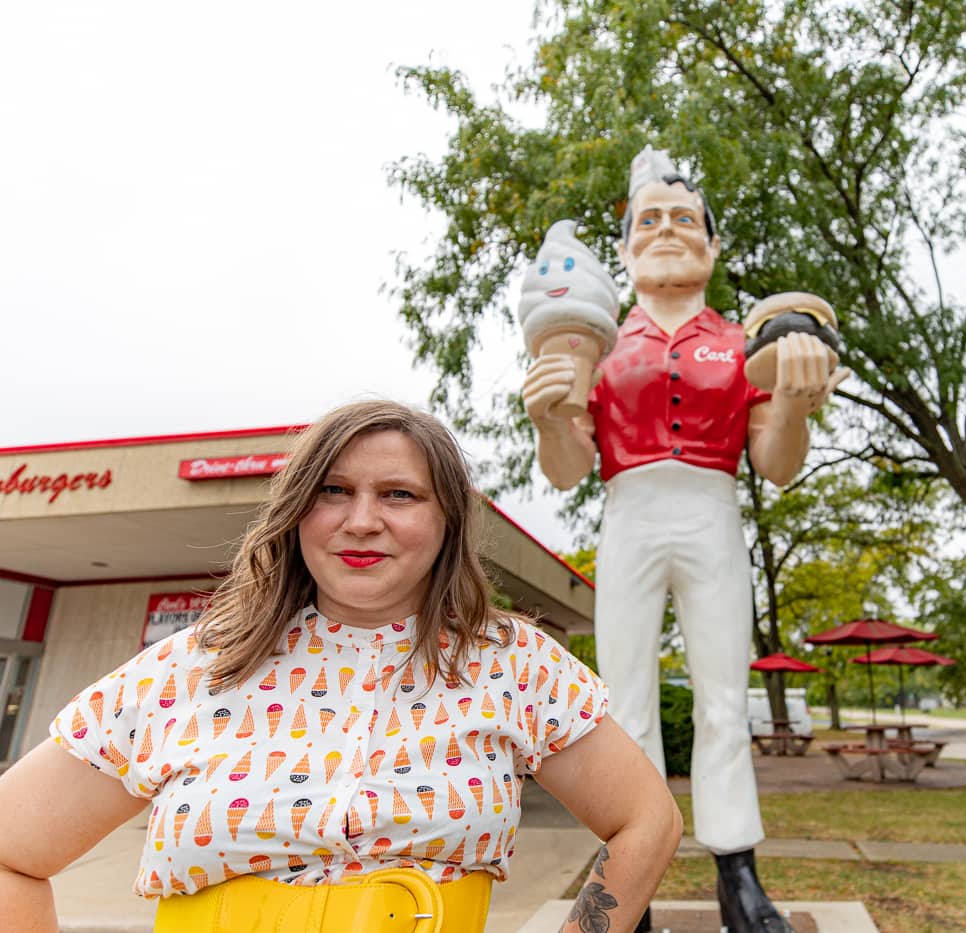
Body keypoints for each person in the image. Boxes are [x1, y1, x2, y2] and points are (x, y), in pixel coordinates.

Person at [0, 400, 681, 933]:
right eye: (333, 490)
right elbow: (10, 850)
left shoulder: (515, 665)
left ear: (448, 518)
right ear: (297, 512)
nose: (361, 520)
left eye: (399, 494)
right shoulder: (189, 669)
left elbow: (647, 817)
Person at [521, 147, 845, 933]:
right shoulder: (592, 342)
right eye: (649, 220)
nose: (667, 230)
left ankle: (739, 874)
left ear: (713, 244)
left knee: (724, 701)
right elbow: (567, 470)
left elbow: (776, 464)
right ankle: (628, 880)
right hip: (629, 508)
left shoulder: (747, 341)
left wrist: (795, 405)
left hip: (711, 507)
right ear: (626, 244)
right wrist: (545, 419)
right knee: (620, 704)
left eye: (684, 219)